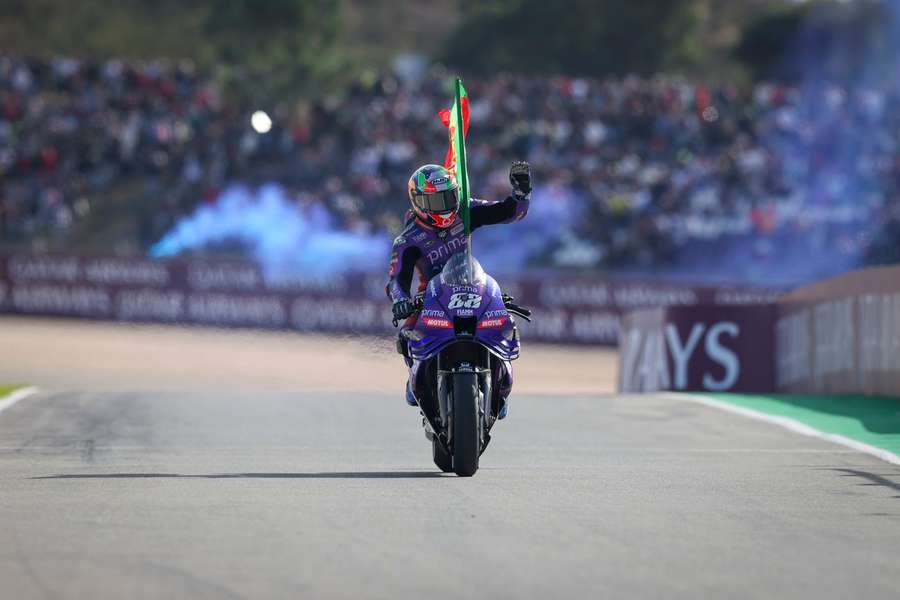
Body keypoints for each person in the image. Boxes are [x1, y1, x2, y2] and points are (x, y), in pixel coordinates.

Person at [386, 161, 532, 411]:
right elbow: (396, 280)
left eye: (450, 197)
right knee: (408, 332)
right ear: (418, 202)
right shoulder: (408, 240)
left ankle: (500, 383)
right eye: (437, 201)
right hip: (430, 296)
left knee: (503, 322)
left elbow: (509, 213)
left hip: (471, 284)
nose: (445, 206)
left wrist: (521, 193)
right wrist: (401, 301)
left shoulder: (465, 211)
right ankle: (416, 377)